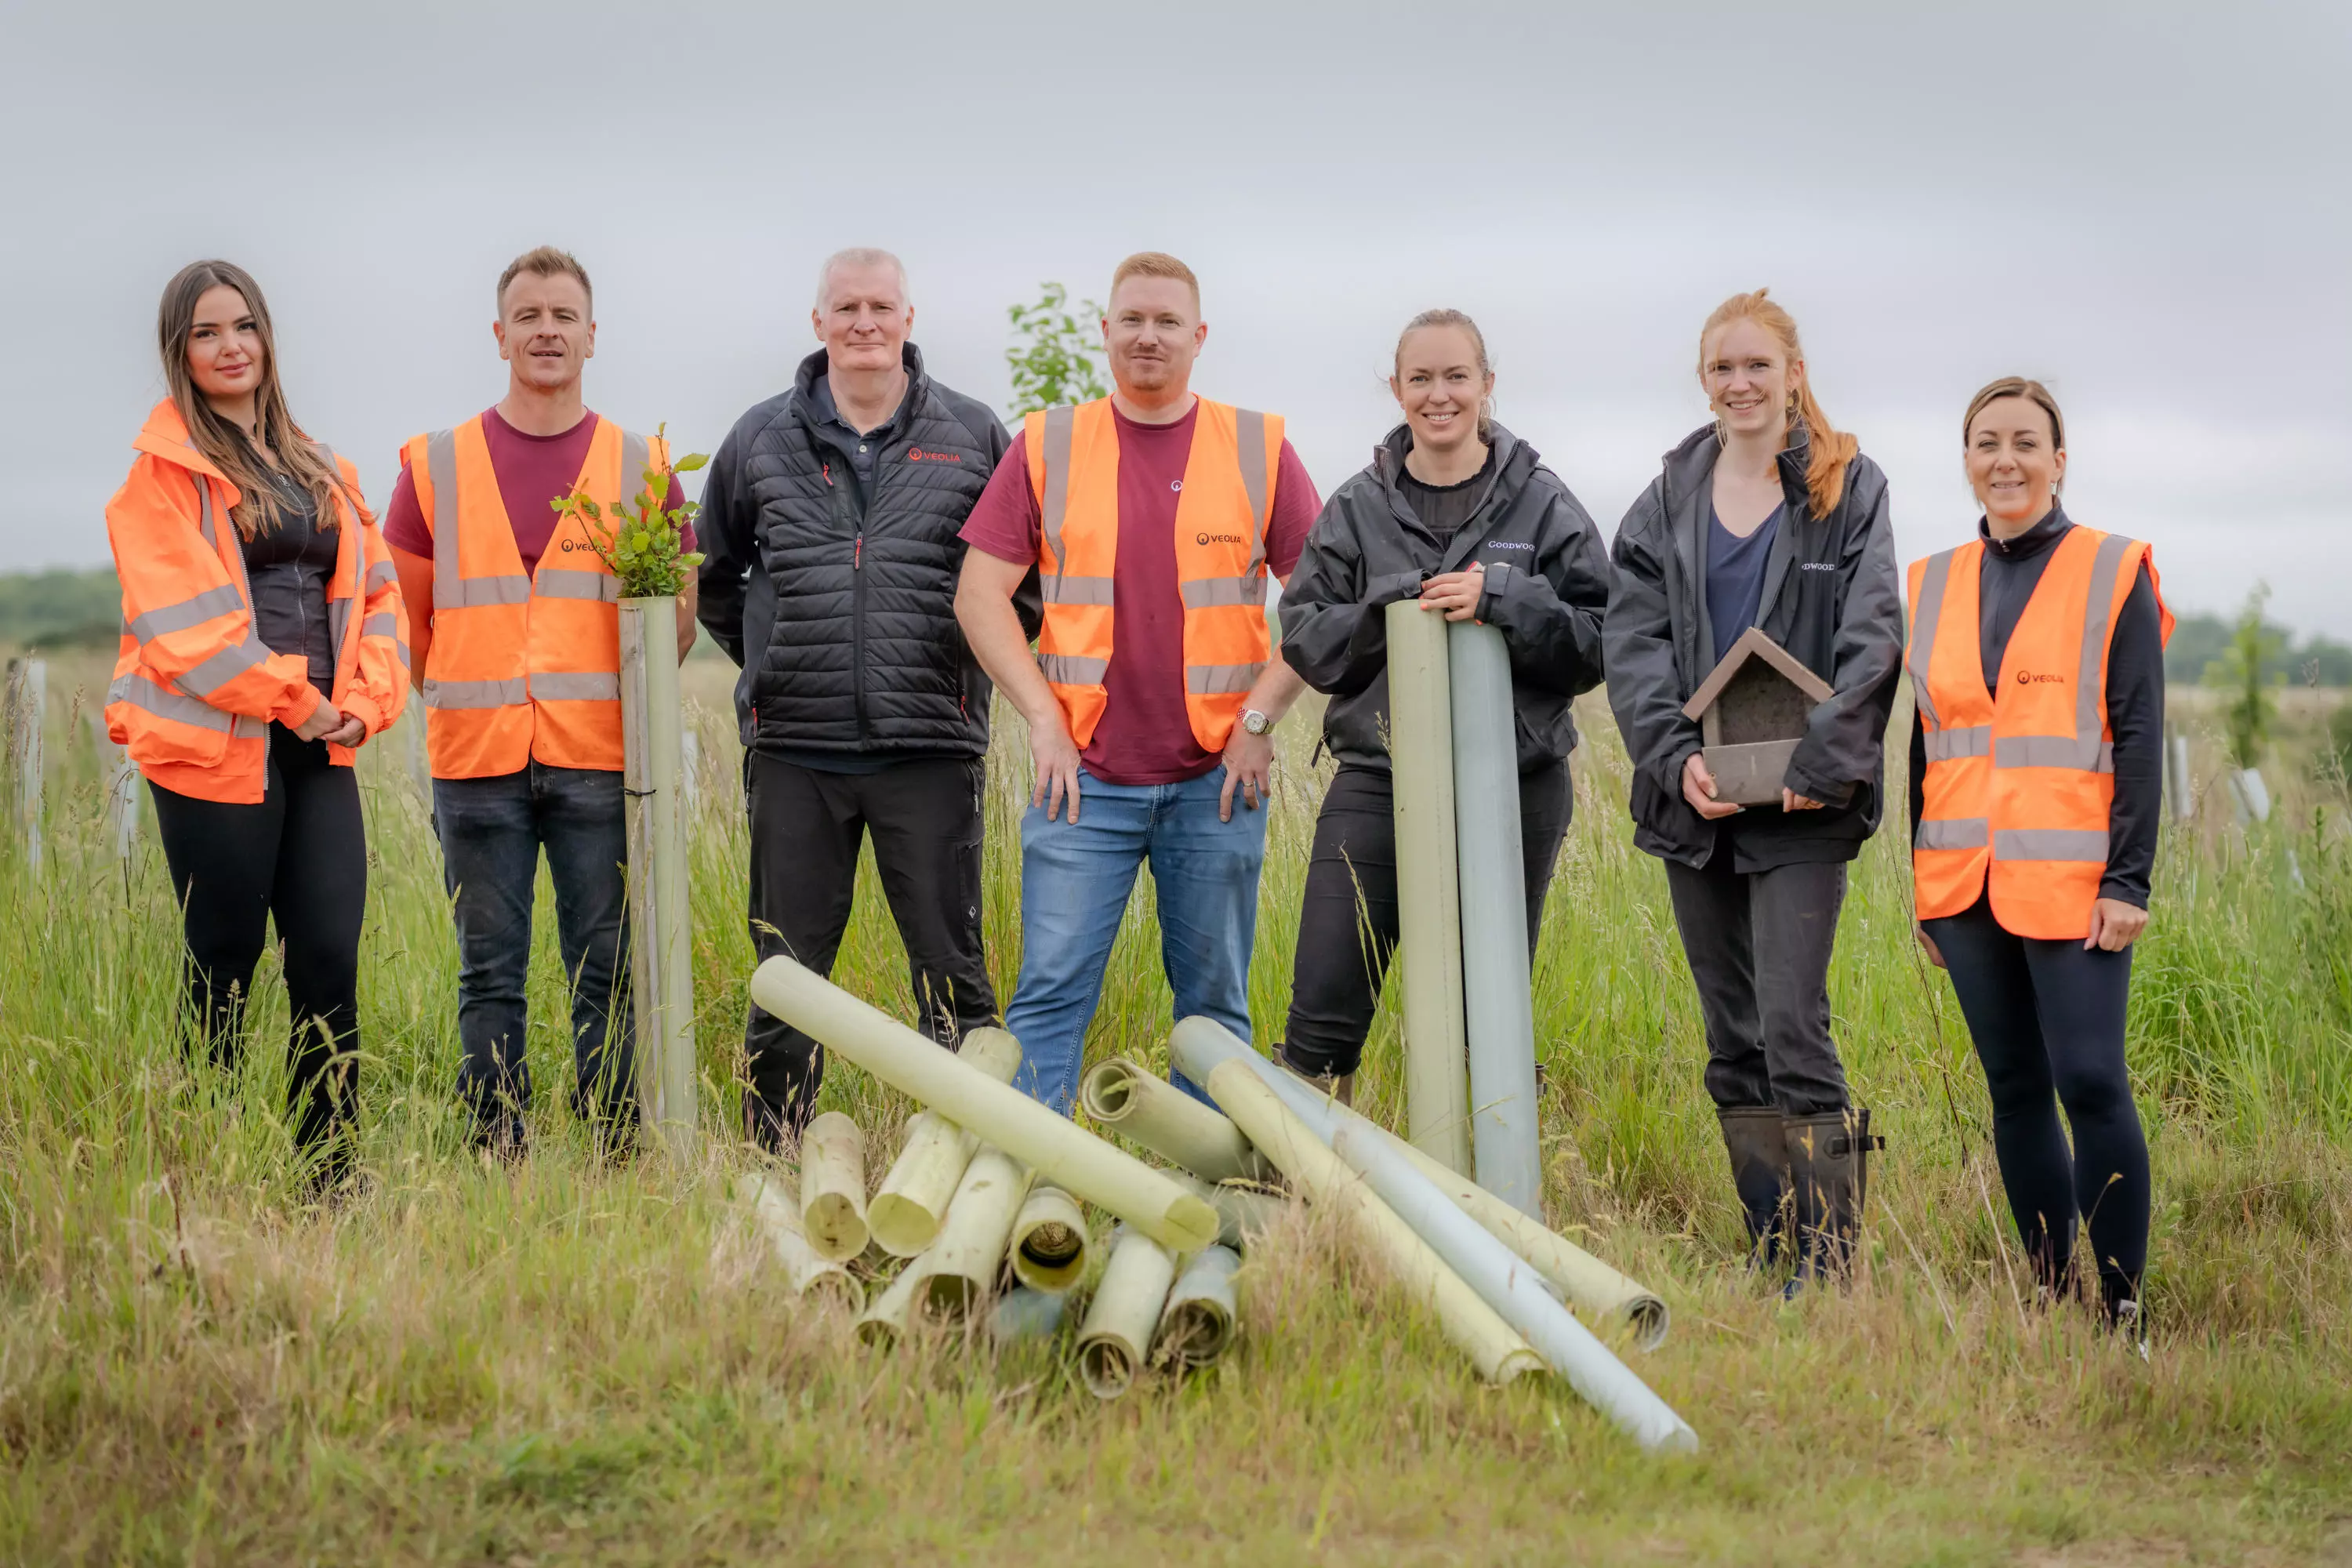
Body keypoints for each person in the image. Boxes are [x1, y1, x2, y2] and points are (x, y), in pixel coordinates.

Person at [956, 252, 1322, 1115]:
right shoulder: (1046, 443)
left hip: (1216, 782)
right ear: (1106, 331)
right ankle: (1030, 1196)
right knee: (1046, 999)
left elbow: (1323, 606)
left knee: (1216, 1013)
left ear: (1198, 337)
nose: (1147, 336)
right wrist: (1042, 719)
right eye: (1132, 319)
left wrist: (1259, 724)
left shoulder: (1259, 445)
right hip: (1080, 781)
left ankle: (1210, 1204)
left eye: (1166, 322)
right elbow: (979, 595)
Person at [1603, 288, 1903, 1287]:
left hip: (1805, 809)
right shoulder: (1662, 503)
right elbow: (1632, 642)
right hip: (1697, 802)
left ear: (1793, 374)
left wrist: (1823, 765)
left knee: (1792, 1022)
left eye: (1757, 366)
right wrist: (1671, 757)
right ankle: (1773, 1249)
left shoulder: (1847, 487)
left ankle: (1832, 1262)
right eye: (1723, 368)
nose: (1740, 383)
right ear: (1705, 380)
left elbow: (1873, 634)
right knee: (1732, 1033)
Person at [698, 248, 1029, 1147]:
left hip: (929, 746)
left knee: (953, 973)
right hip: (797, 750)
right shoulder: (760, 437)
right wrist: (774, 658)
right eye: (845, 307)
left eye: (881, 305)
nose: (864, 323)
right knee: (789, 973)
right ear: (818, 324)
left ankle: (966, 1161)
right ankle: (775, 1155)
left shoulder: (971, 433)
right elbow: (713, 575)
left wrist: (964, 667)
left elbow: (1020, 585)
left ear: (909, 318)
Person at [385, 245, 695, 1157]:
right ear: (499, 335)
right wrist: (468, 691)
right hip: (476, 761)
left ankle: (611, 1151)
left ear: (593, 336)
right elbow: (405, 621)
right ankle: (498, 1152)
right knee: (490, 974)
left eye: (564, 315)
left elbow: (673, 625)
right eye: (528, 315)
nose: (547, 330)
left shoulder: (644, 463)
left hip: (600, 756)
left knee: (606, 970)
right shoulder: (434, 462)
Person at [105, 260, 408, 1191]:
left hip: (320, 746)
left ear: (267, 335)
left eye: (243, 326)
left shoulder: (327, 469)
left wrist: (364, 700)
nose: (230, 346)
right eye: (206, 332)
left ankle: (330, 1173)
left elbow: (381, 595)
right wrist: (296, 697)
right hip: (211, 750)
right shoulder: (158, 481)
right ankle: (207, 1171)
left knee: (326, 952)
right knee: (224, 965)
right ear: (179, 352)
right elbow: (189, 627)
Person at [1274, 309, 1612, 1102]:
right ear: (1396, 390)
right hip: (1379, 772)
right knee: (1325, 994)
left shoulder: (1544, 503)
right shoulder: (1357, 506)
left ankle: (1493, 1197)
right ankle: (1309, 1206)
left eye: (1457, 376)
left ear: (1487, 385)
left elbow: (1600, 638)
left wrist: (1505, 597)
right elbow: (1305, 637)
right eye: (1420, 378)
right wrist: (1389, 607)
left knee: (1483, 1006)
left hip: (1516, 779)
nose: (1439, 395)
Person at [1909, 377, 2169, 1334]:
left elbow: (2140, 734)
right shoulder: (1933, 580)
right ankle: (2055, 1295)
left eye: (2026, 441)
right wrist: (1922, 886)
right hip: (1961, 882)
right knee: (2014, 1088)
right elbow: (1924, 741)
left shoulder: (2112, 568)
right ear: (1967, 459)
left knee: (2091, 1081)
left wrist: (2129, 879)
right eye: (1986, 442)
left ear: (2060, 460)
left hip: (2074, 883)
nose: (2005, 459)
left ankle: (2124, 1313)